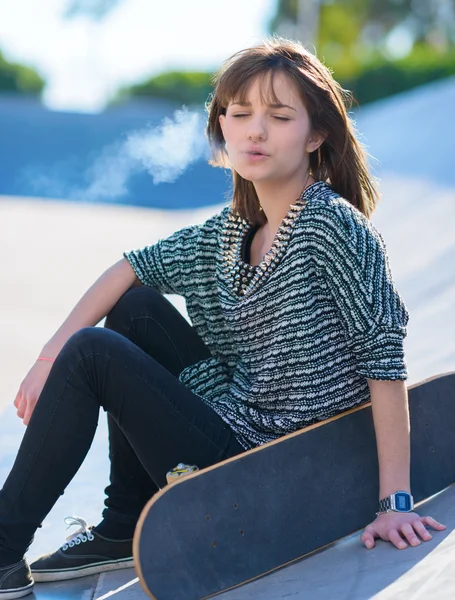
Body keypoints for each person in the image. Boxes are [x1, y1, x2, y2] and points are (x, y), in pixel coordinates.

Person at [0, 37, 446, 599]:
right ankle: (123, 526)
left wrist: (394, 501)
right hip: (230, 422)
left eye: (279, 116)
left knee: (93, 350)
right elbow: (128, 269)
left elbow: (385, 359)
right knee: (132, 308)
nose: (256, 130)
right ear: (223, 128)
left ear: (316, 135)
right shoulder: (234, 230)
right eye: (240, 114)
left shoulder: (335, 228)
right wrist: (47, 357)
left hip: (264, 463)